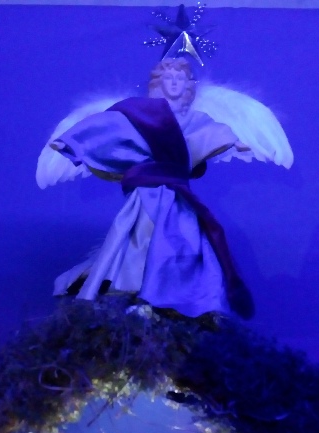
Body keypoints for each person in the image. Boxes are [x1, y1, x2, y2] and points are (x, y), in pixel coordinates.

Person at [49, 57, 253, 319]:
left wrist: (234, 142)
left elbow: (213, 132)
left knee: (187, 240)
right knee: (141, 239)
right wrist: (72, 142)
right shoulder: (140, 113)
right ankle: (140, 292)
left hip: (177, 195)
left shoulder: (195, 119)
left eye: (180, 78)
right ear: (159, 82)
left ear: (188, 86)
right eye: (169, 78)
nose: (175, 82)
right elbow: (109, 126)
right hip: (148, 193)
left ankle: (187, 298)